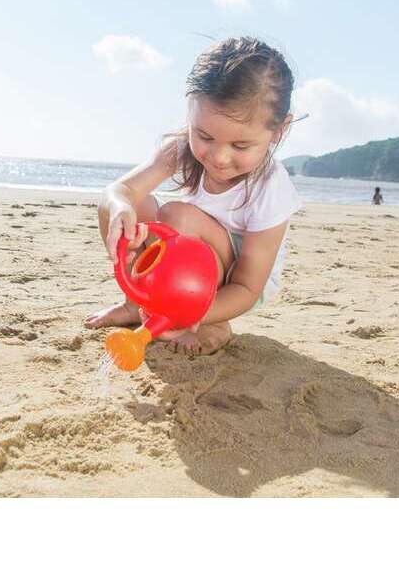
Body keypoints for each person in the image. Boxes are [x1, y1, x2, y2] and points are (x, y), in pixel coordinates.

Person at [85, 36, 301, 356]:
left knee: (178, 217)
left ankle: (213, 323)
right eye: (204, 136)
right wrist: (119, 208)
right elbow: (119, 191)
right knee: (131, 204)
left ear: (278, 131)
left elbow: (247, 286)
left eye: (240, 146)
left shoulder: (272, 188)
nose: (219, 157)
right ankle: (136, 303)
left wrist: (189, 314)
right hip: (188, 266)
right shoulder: (181, 148)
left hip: (238, 285)